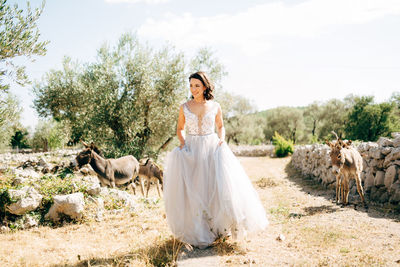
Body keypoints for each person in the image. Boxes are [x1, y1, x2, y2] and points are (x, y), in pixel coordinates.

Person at [163, 71, 268, 249]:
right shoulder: (184, 107)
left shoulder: (215, 106)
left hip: (211, 147)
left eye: (197, 85)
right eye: (191, 85)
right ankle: (197, 229)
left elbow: (221, 126)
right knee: (194, 189)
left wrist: (221, 139)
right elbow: (180, 128)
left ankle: (218, 229)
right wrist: (182, 142)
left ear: (205, 86)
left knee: (214, 186)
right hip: (191, 149)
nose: (193, 89)